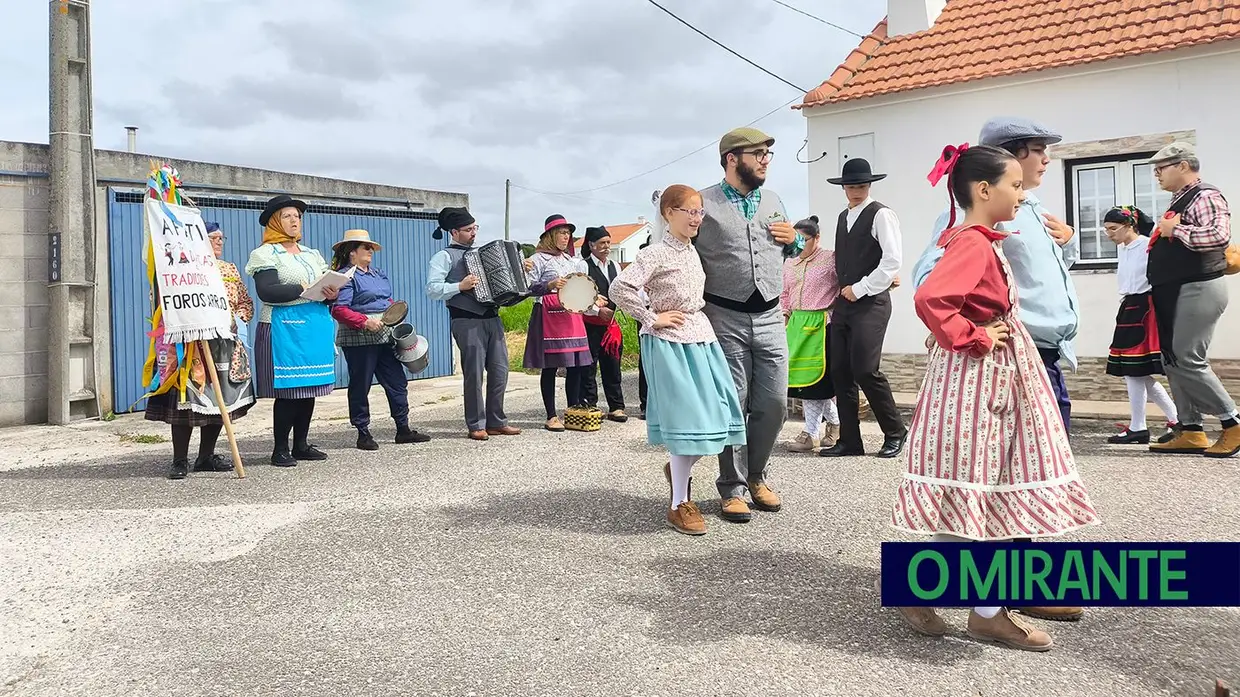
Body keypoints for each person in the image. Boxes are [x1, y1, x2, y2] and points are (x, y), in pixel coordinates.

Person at [886, 143, 1101, 652]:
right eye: (1016, 185)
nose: (1022, 194)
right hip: (981, 378)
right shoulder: (973, 244)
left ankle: (925, 589)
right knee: (982, 483)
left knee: (977, 486)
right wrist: (975, 336)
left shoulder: (980, 238)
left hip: (992, 373)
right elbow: (931, 298)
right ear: (985, 190)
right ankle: (985, 612)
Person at [911, 117, 1080, 436]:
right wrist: (968, 330)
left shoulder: (1031, 211)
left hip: (1046, 352)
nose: (1047, 159)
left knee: (1044, 457)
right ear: (1008, 157)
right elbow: (930, 278)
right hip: (1014, 353)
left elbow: (1038, 275)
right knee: (1033, 459)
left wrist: (1067, 244)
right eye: (1037, 150)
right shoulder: (975, 218)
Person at [609, 185, 746, 536]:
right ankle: (679, 505)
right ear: (669, 212)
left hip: (702, 337)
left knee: (718, 416)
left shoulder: (692, 251)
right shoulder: (655, 253)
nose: (697, 218)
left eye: (700, 212)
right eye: (690, 211)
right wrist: (651, 316)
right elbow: (619, 288)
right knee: (690, 421)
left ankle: (678, 471)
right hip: (670, 342)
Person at [694, 127, 799, 523]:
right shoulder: (702, 202)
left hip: (770, 314)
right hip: (723, 314)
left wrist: (793, 240)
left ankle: (758, 476)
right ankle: (734, 486)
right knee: (733, 403)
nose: (765, 160)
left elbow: (791, 248)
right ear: (732, 159)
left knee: (773, 403)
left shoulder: (773, 200)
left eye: (768, 155)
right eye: (757, 154)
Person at [1145, 142, 1240, 458]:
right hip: (1177, 290)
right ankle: (1191, 430)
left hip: (1198, 287)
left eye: (1162, 167)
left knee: (1187, 358)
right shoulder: (1180, 199)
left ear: (1183, 166)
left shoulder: (1206, 195)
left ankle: (1232, 421)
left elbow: (1218, 235)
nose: (1157, 174)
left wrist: (1177, 229)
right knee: (1173, 359)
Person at [145, 221, 256, 479]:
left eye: (221, 238)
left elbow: (244, 302)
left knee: (219, 404)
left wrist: (236, 321)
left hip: (224, 345)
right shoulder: (182, 268)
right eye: (213, 237)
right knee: (187, 403)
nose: (219, 242)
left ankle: (206, 455)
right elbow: (170, 304)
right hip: (191, 346)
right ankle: (179, 459)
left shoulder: (229, 269)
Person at [817, 158, 906, 459]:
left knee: (866, 371)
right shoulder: (843, 217)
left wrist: (862, 288)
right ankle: (850, 441)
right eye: (851, 185)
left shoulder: (882, 214)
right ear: (844, 188)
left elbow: (892, 261)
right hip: (843, 305)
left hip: (871, 303)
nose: (856, 190)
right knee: (840, 372)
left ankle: (895, 431)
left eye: (861, 185)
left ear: (869, 185)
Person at [244, 194, 339, 467]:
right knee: (289, 391)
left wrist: (330, 292)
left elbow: (325, 289)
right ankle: (280, 448)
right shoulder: (264, 254)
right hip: (283, 327)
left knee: (307, 390)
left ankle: (301, 444)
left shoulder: (312, 254)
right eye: (287, 216)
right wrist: (303, 289)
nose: (294, 220)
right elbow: (267, 292)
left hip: (313, 326)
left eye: (297, 216)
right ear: (275, 221)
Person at [425, 207, 521, 441]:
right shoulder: (444, 256)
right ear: (454, 231)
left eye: (475, 228)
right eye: (468, 230)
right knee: (474, 374)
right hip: (466, 320)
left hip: (492, 318)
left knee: (500, 371)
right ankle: (476, 424)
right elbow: (432, 289)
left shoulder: (483, 253)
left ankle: (496, 421)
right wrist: (460, 286)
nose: (473, 233)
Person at [329, 229, 430, 450]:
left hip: (385, 335)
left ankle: (403, 428)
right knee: (360, 384)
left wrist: (395, 313)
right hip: (359, 338)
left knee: (397, 381)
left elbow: (387, 301)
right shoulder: (346, 277)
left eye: (371, 248)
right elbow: (339, 310)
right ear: (352, 252)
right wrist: (364, 321)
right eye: (366, 247)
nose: (370, 251)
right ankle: (362, 432)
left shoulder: (379, 274)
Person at [1101, 206, 1179, 444]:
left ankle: (1139, 427)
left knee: (1135, 372)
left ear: (1129, 226)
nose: (1109, 235)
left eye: (1113, 229)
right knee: (1138, 373)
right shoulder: (1123, 249)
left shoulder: (1147, 245)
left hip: (1145, 307)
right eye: (1106, 230)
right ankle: (1175, 420)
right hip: (1128, 306)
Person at [524, 214, 602, 431]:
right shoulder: (538, 260)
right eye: (562, 232)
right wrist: (549, 285)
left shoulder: (572, 261)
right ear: (550, 235)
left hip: (572, 315)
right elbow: (528, 289)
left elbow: (579, 289)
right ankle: (551, 415)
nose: (566, 237)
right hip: (549, 315)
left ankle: (572, 409)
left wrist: (594, 301)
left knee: (576, 365)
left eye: (568, 233)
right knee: (550, 367)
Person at [780, 215, 840, 452]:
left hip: (822, 324)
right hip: (796, 324)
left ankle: (811, 433)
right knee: (803, 380)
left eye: (804, 240)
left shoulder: (830, 259)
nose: (800, 245)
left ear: (817, 238)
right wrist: (784, 318)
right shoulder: (789, 262)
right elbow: (785, 293)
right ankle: (834, 425)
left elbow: (849, 278)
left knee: (817, 381)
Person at [578, 225, 628, 422]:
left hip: (611, 325)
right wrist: (598, 310)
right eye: (602, 243)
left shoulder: (614, 266)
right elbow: (580, 294)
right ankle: (590, 405)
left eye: (608, 242)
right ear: (591, 245)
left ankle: (616, 406)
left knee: (613, 365)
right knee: (589, 367)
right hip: (589, 323)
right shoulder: (583, 266)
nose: (606, 246)